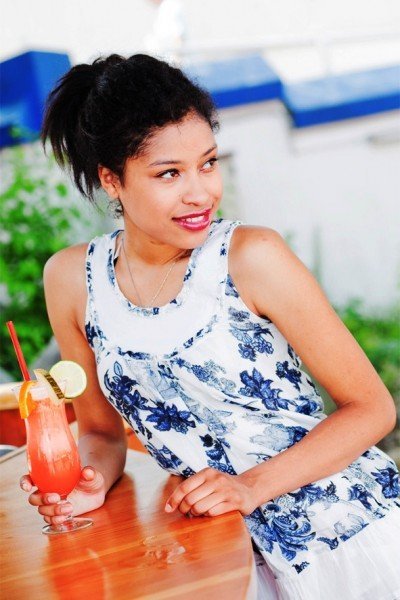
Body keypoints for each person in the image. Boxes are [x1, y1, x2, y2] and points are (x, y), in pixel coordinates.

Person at [20, 54, 400, 599]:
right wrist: (90, 483)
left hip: (346, 540)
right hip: (216, 556)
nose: (200, 193)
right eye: (168, 173)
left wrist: (249, 487)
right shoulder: (71, 280)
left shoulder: (252, 256)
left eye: (207, 163)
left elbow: (372, 408)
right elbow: (100, 433)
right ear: (111, 179)